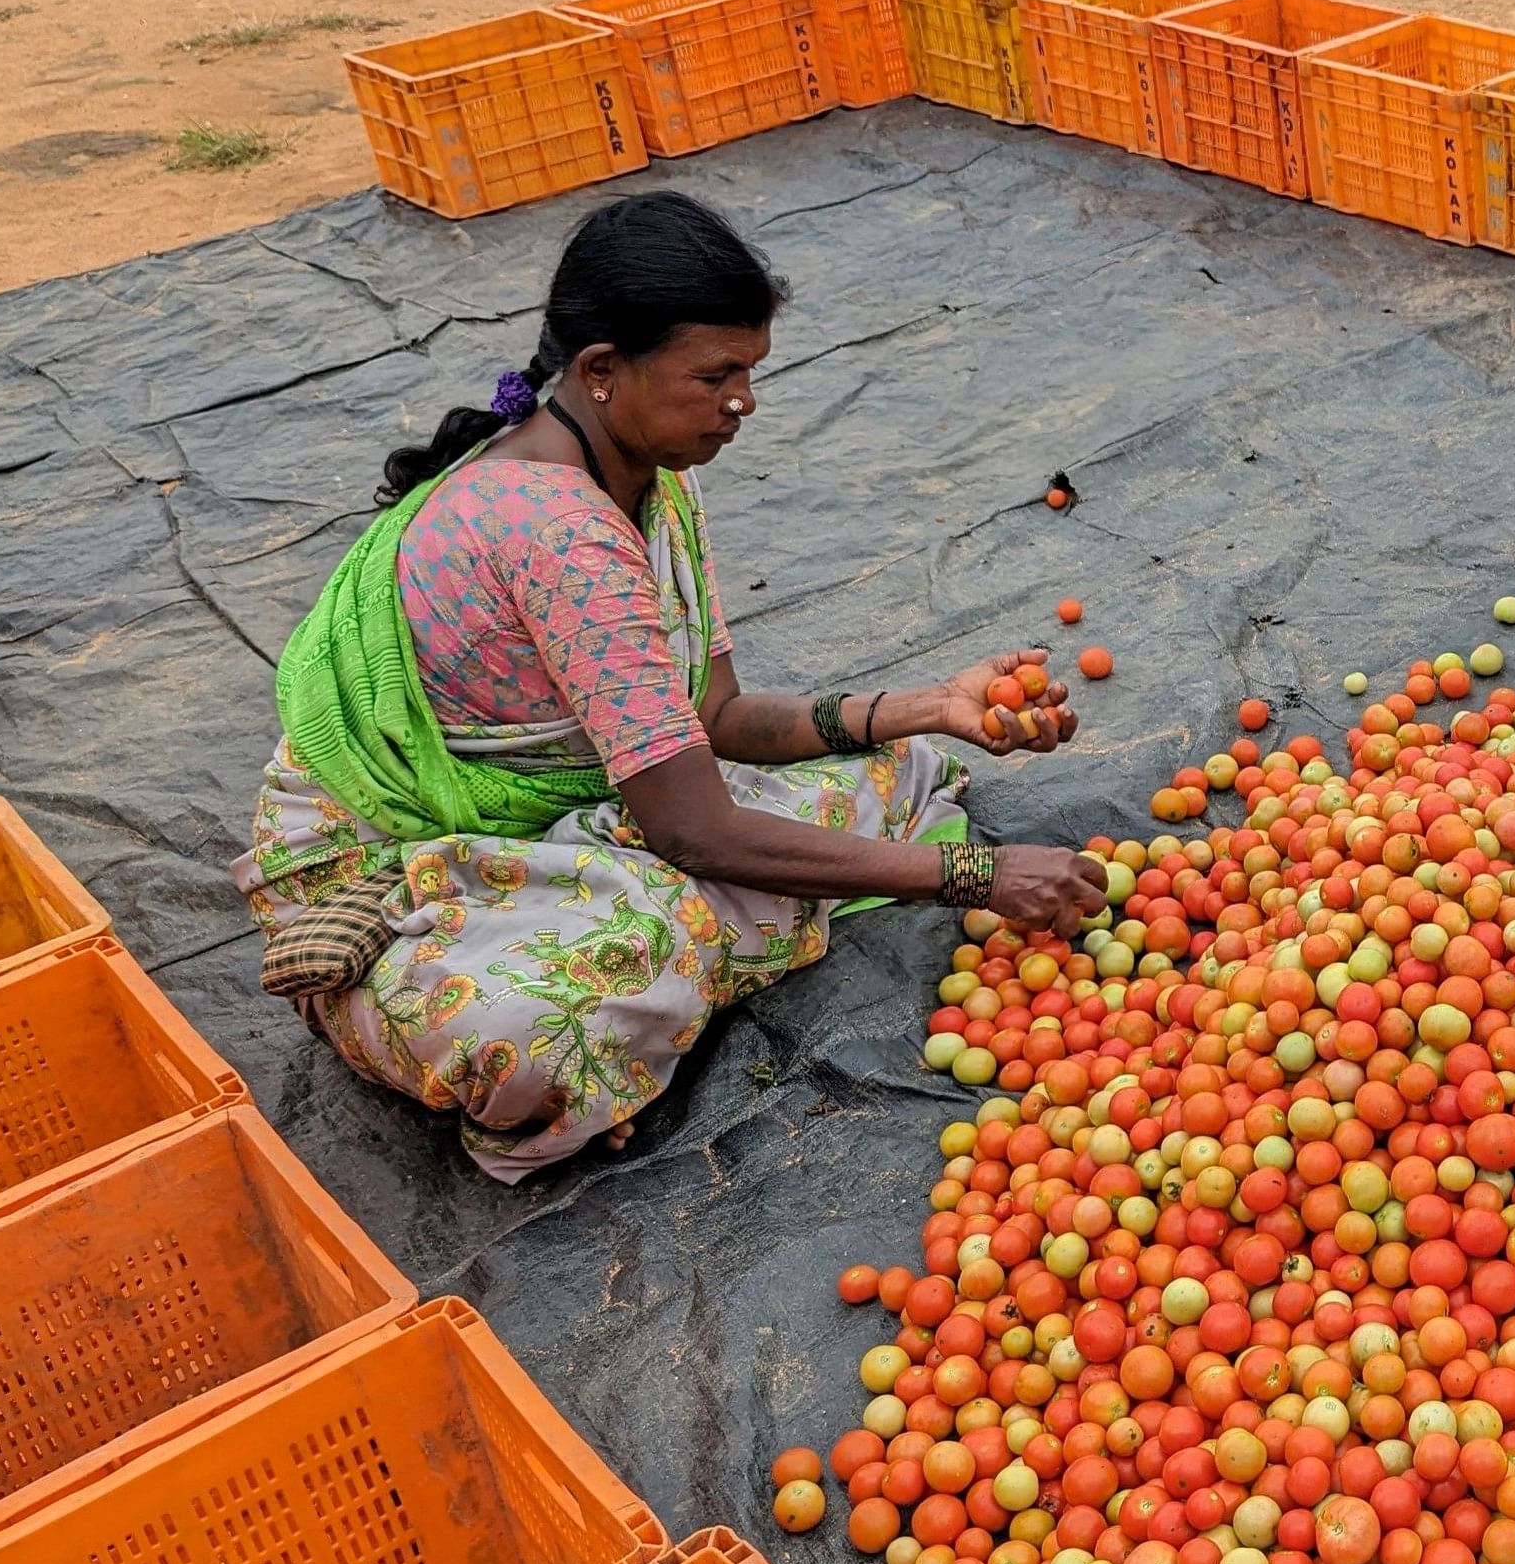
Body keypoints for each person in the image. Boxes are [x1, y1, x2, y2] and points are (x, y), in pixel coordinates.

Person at [235, 192, 1110, 1179]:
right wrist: (978, 877)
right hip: (397, 827)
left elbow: (718, 719)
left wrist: (928, 707)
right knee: (567, 1017)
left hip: (602, 798)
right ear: (603, 371)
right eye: (718, 375)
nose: (743, 402)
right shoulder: (557, 534)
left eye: (750, 372)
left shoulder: (652, 476)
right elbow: (690, 832)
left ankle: (583, 912)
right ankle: (369, 959)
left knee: (891, 778)